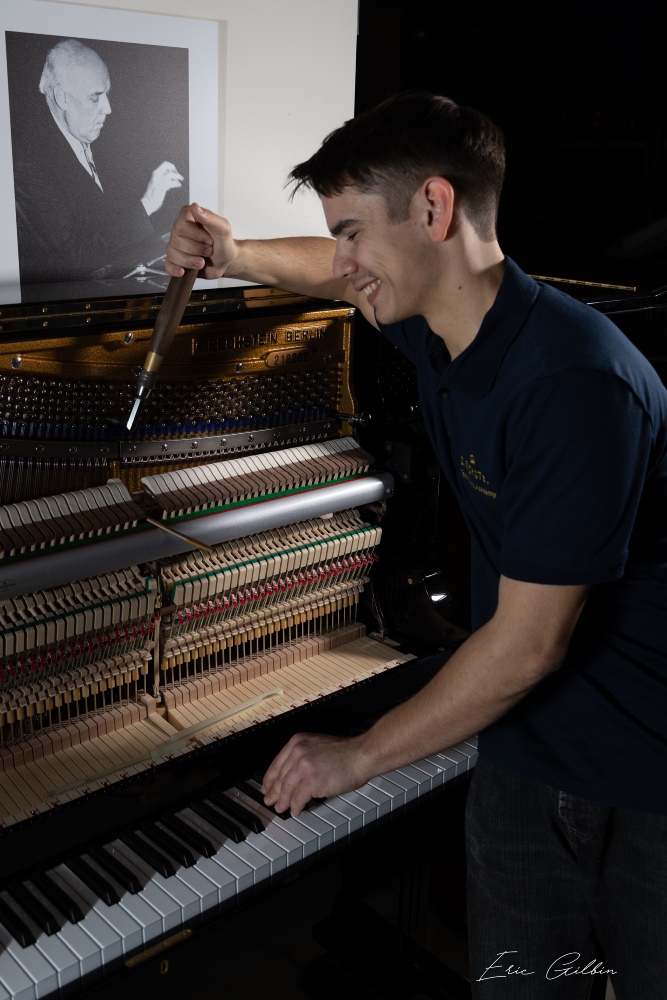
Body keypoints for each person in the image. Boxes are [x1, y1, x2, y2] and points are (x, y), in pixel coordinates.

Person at [165, 92, 667, 998]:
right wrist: (233, 255)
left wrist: (355, 753)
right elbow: (330, 272)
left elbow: (527, 646)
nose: (346, 260)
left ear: (433, 209)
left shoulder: (572, 380)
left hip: (640, 776)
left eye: (356, 231)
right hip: (520, 752)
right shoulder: (438, 324)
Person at [11, 38, 183, 290]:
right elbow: (73, 259)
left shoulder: (97, 137)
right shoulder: (28, 164)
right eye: (95, 98)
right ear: (62, 98)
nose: (108, 109)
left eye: (107, 94)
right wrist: (146, 204)